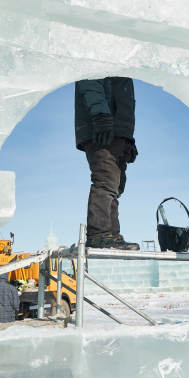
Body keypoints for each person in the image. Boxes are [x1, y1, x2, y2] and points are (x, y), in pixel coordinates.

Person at [75, 77, 139, 249]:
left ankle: (111, 235)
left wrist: (128, 138)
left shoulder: (124, 59)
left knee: (116, 186)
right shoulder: (105, 52)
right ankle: (98, 235)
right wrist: (100, 114)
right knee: (106, 180)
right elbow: (89, 80)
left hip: (117, 130)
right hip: (102, 128)